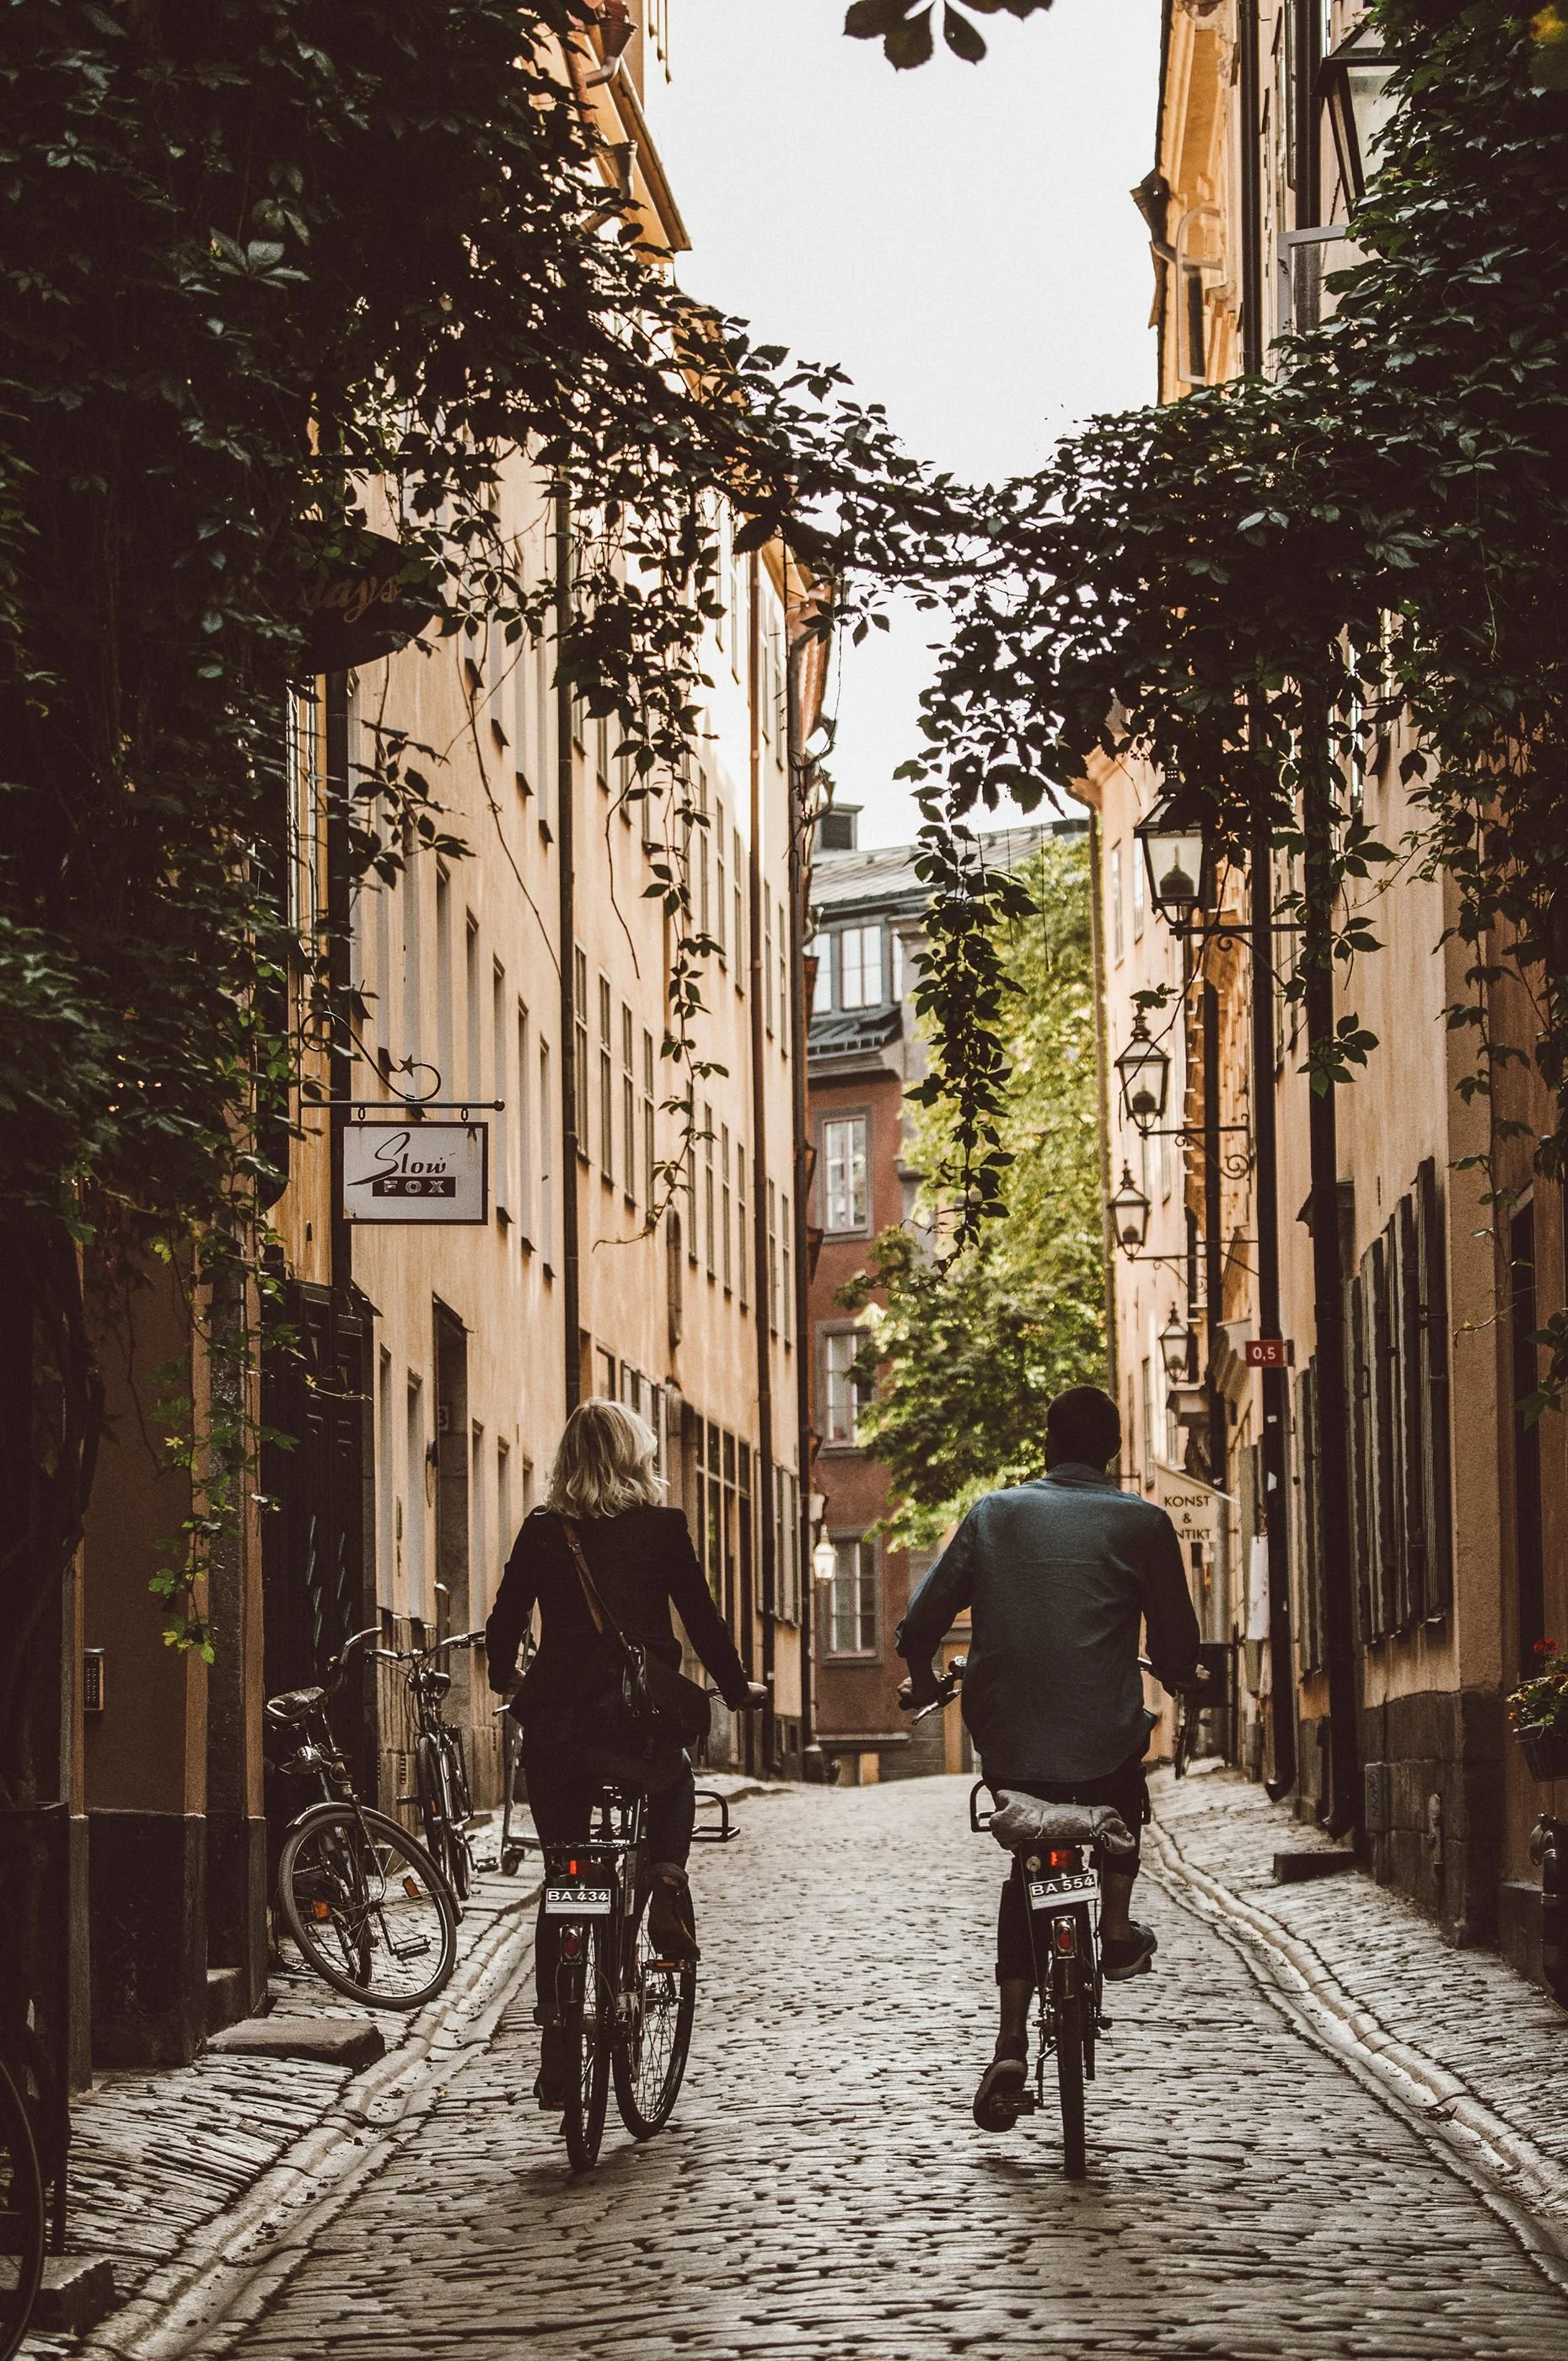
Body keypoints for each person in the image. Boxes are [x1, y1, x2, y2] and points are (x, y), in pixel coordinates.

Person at [895, 1384, 1202, 2132]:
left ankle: (1007, 2038)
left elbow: (919, 1624)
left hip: (1012, 1744)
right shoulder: (1144, 1523)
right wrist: (1180, 1672)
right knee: (1123, 1775)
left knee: (1027, 1864)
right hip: (1102, 1744)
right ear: (1113, 1452)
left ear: (1046, 1446)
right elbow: (1176, 1646)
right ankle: (1120, 1929)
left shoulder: (993, 1515)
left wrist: (927, 1681)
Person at [485, 1399, 765, 2109]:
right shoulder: (662, 1528)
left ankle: (556, 2047)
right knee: (674, 1783)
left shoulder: (545, 1531)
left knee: (564, 1879)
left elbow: (505, 1618)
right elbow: (700, 1615)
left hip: (557, 1730)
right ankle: (666, 1879)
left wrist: (504, 1674)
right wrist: (735, 1688)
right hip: (637, 1724)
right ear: (634, 1456)